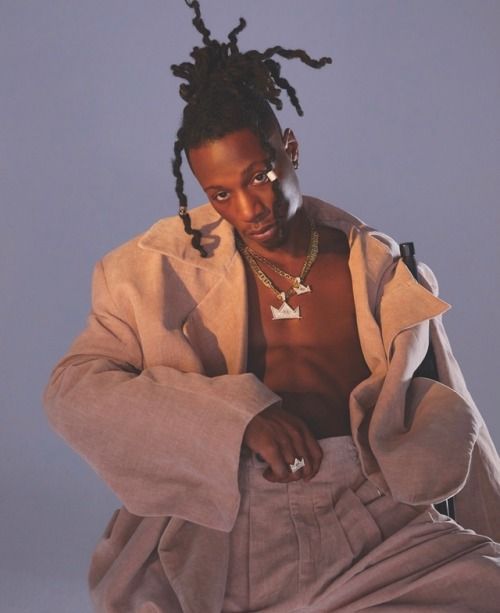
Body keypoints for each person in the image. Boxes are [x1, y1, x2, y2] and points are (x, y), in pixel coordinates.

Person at [44, 2, 500, 611]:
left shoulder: (380, 267)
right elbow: (73, 391)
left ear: (290, 147)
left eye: (259, 174)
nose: (249, 207)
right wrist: (236, 420)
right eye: (221, 193)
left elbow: (452, 403)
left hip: (374, 517)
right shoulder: (149, 272)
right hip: (227, 521)